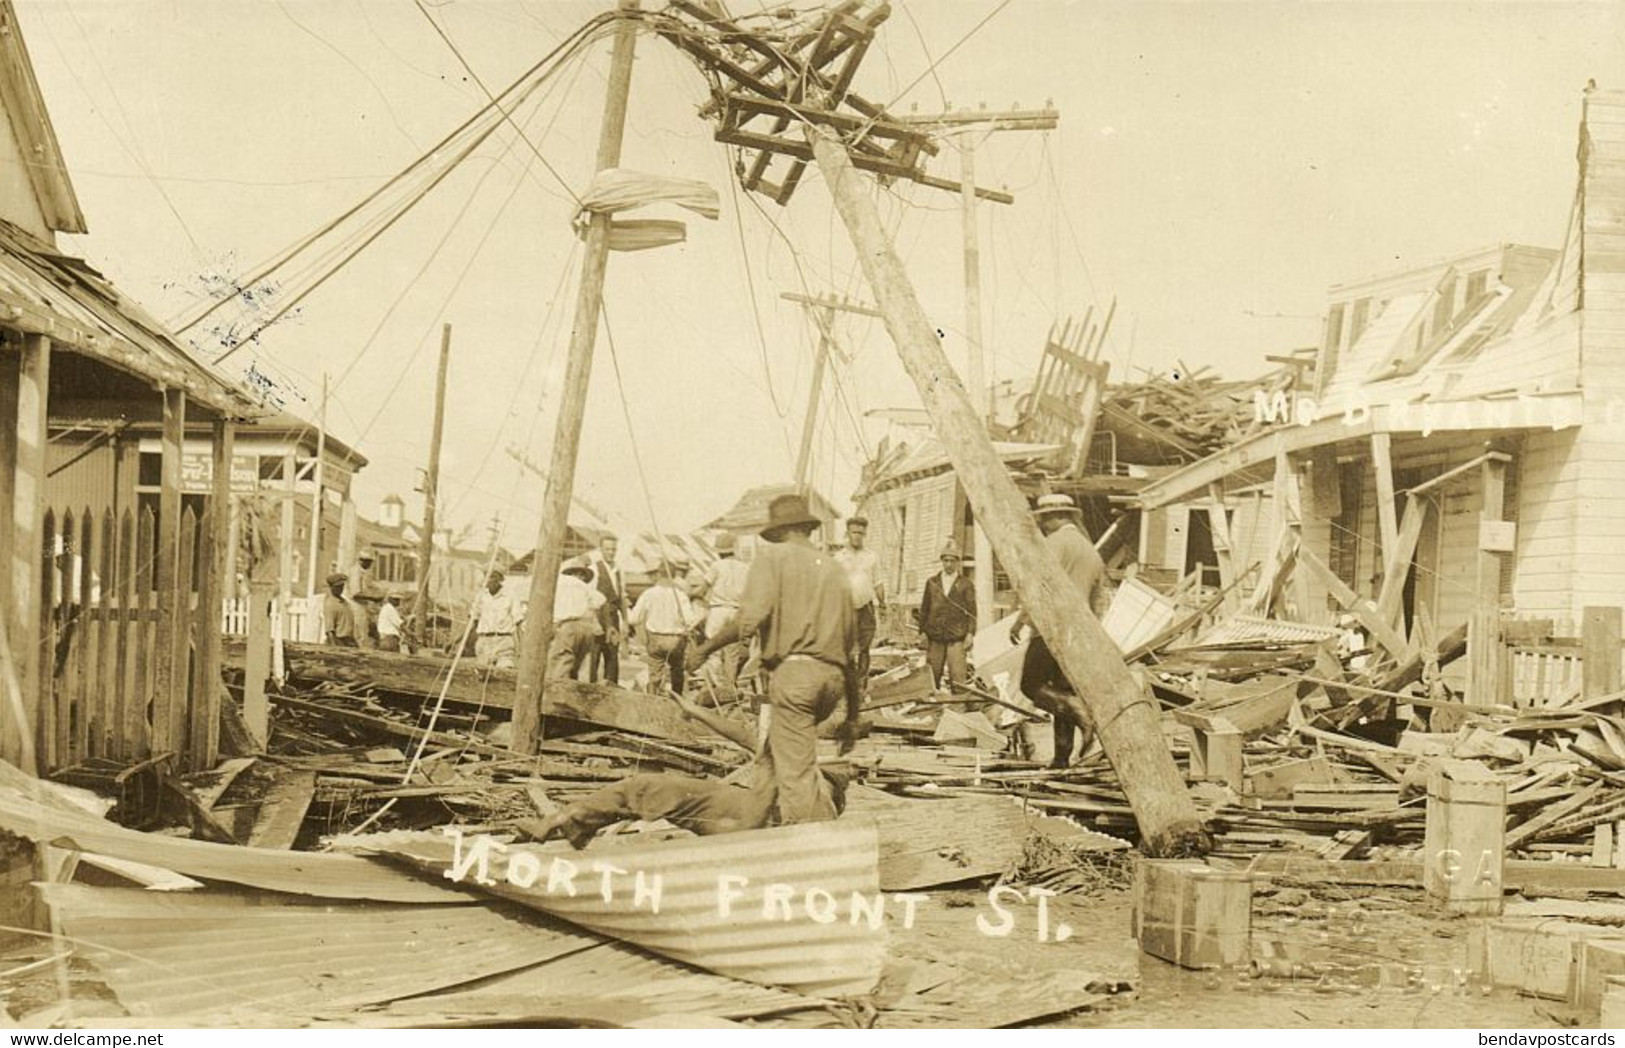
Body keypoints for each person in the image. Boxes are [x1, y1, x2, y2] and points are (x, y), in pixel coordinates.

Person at [687, 493, 858, 825]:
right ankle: (753, 823)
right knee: (771, 759)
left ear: (779, 532)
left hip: (796, 677)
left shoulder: (772, 558)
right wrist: (852, 715)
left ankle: (812, 846)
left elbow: (748, 620)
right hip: (833, 679)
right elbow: (850, 650)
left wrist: (704, 649)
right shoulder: (835, 568)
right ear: (806, 529)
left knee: (796, 776)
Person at [517, 693, 851, 848]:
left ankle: (567, 822)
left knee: (645, 789)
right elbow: (747, 736)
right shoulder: (795, 758)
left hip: (754, 829)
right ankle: (567, 821)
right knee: (646, 787)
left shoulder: (814, 792)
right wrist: (696, 712)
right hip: (745, 818)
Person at [1010, 494, 1110, 768]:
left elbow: (1040, 586)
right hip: (1079, 633)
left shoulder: (1053, 544)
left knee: (1031, 686)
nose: (1041, 525)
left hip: (1051, 628)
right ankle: (1061, 760)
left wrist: (1022, 620)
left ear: (1053, 517)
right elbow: (1098, 600)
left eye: (1043, 519)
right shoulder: (1091, 551)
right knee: (1062, 691)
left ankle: (1080, 714)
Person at [629, 559, 693, 696]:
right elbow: (689, 621)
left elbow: (634, 619)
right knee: (677, 671)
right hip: (675, 640)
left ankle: (653, 700)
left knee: (655, 674)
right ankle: (677, 700)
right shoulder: (680, 595)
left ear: (659, 574)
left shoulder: (649, 594)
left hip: (656, 638)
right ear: (675, 575)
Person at [834, 516, 883, 695]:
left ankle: (861, 685)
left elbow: (878, 582)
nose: (857, 536)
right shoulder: (839, 558)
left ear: (865, 534)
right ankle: (848, 687)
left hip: (866, 608)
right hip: (846, 609)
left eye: (861, 533)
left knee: (864, 648)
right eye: (854, 532)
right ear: (848, 533)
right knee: (847, 648)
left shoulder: (871, 557)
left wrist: (883, 604)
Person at [918, 540, 976, 691]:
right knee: (931, 678)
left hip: (956, 637)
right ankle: (932, 710)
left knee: (958, 680)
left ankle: (958, 710)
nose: (949, 564)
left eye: (952, 560)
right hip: (935, 636)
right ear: (942, 561)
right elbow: (924, 608)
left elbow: (972, 611)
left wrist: (970, 634)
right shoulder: (932, 583)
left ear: (958, 562)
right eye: (946, 560)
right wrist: (922, 632)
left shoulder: (965, 584)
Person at [699, 532, 751, 695]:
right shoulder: (745, 567)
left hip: (718, 610)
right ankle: (730, 687)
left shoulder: (717, 566)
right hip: (737, 612)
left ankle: (716, 684)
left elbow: (702, 589)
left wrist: (692, 595)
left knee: (713, 651)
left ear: (719, 551)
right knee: (732, 653)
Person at [549, 557, 606, 680]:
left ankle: (558, 695)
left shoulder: (561, 583)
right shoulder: (586, 587)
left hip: (568, 626)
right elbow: (600, 600)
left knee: (560, 665)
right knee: (576, 666)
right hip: (585, 628)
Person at [588, 535, 625, 685]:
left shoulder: (619, 570)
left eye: (613, 549)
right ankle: (590, 688)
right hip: (598, 616)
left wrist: (625, 623)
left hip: (613, 616)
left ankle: (611, 688)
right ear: (601, 550)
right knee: (594, 656)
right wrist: (595, 622)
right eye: (607, 549)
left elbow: (622, 597)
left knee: (612, 655)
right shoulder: (594, 569)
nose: (611, 552)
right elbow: (590, 598)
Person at [471, 569, 523, 671]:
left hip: (503, 641)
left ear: (500, 579)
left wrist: (522, 647)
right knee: (481, 673)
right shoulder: (481, 596)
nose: (489, 580)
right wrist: (457, 641)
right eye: (486, 576)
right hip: (484, 641)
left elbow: (519, 622)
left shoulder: (510, 596)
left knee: (504, 672)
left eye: (492, 577)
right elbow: (472, 620)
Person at [348, 549, 386, 649]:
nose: (370, 564)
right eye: (368, 562)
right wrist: (374, 598)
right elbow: (355, 593)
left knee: (365, 632)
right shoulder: (356, 572)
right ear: (361, 561)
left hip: (363, 606)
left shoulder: (363, 572)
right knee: (359, 633)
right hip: (356, 605)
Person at [322, 573, 359, 648]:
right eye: (337, 587)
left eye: (342, 587)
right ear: (331, 587)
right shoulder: (330, 604)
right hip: (339, 640)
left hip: (349, 639)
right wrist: (334, 648)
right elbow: (329, 630)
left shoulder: (344, 601)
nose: (340, 589)